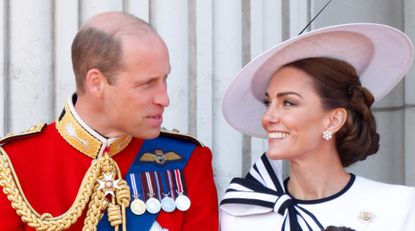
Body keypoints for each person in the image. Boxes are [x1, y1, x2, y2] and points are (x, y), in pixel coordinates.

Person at [0, 11, 218, 231]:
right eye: (146, 84)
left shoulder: (187, 160)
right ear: (96, 83)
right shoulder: (13, 165)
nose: (164, 98)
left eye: (165, 79)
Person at [219, 23, 415, 230]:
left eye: (288, 103)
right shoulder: (240, 215)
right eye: (268, 103)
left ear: (333, 120)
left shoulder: (400, 207)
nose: (268, 117)